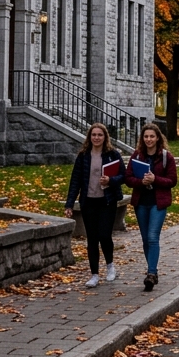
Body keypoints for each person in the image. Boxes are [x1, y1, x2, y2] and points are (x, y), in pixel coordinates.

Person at [65, 123, 125, 288]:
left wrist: (110, 180)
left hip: (107, 200)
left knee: (104, 235)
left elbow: (123, 175)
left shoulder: (112, 154)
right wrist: (69, 204)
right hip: (88, 201)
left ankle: (110, 266)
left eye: (100, 135)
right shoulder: (83, 155)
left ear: (105, 137)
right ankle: (94, 274)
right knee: (92, 238)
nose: (97, 138)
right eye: (94, 135)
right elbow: (75, 180)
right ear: (89, 137)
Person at [124, 122, 178, 291]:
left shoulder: (165, 157)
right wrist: (141, 181)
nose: (149, 139)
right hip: (141, 202)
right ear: (142, 138)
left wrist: (155, 179)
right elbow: (128, 178)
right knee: (146, 239)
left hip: (158, 202)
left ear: (157, 138)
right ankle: (152, 271)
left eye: (152, 136)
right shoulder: (137, 156)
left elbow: (172, 180)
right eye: (146, 137)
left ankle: (151, 273)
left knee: (153, 237)